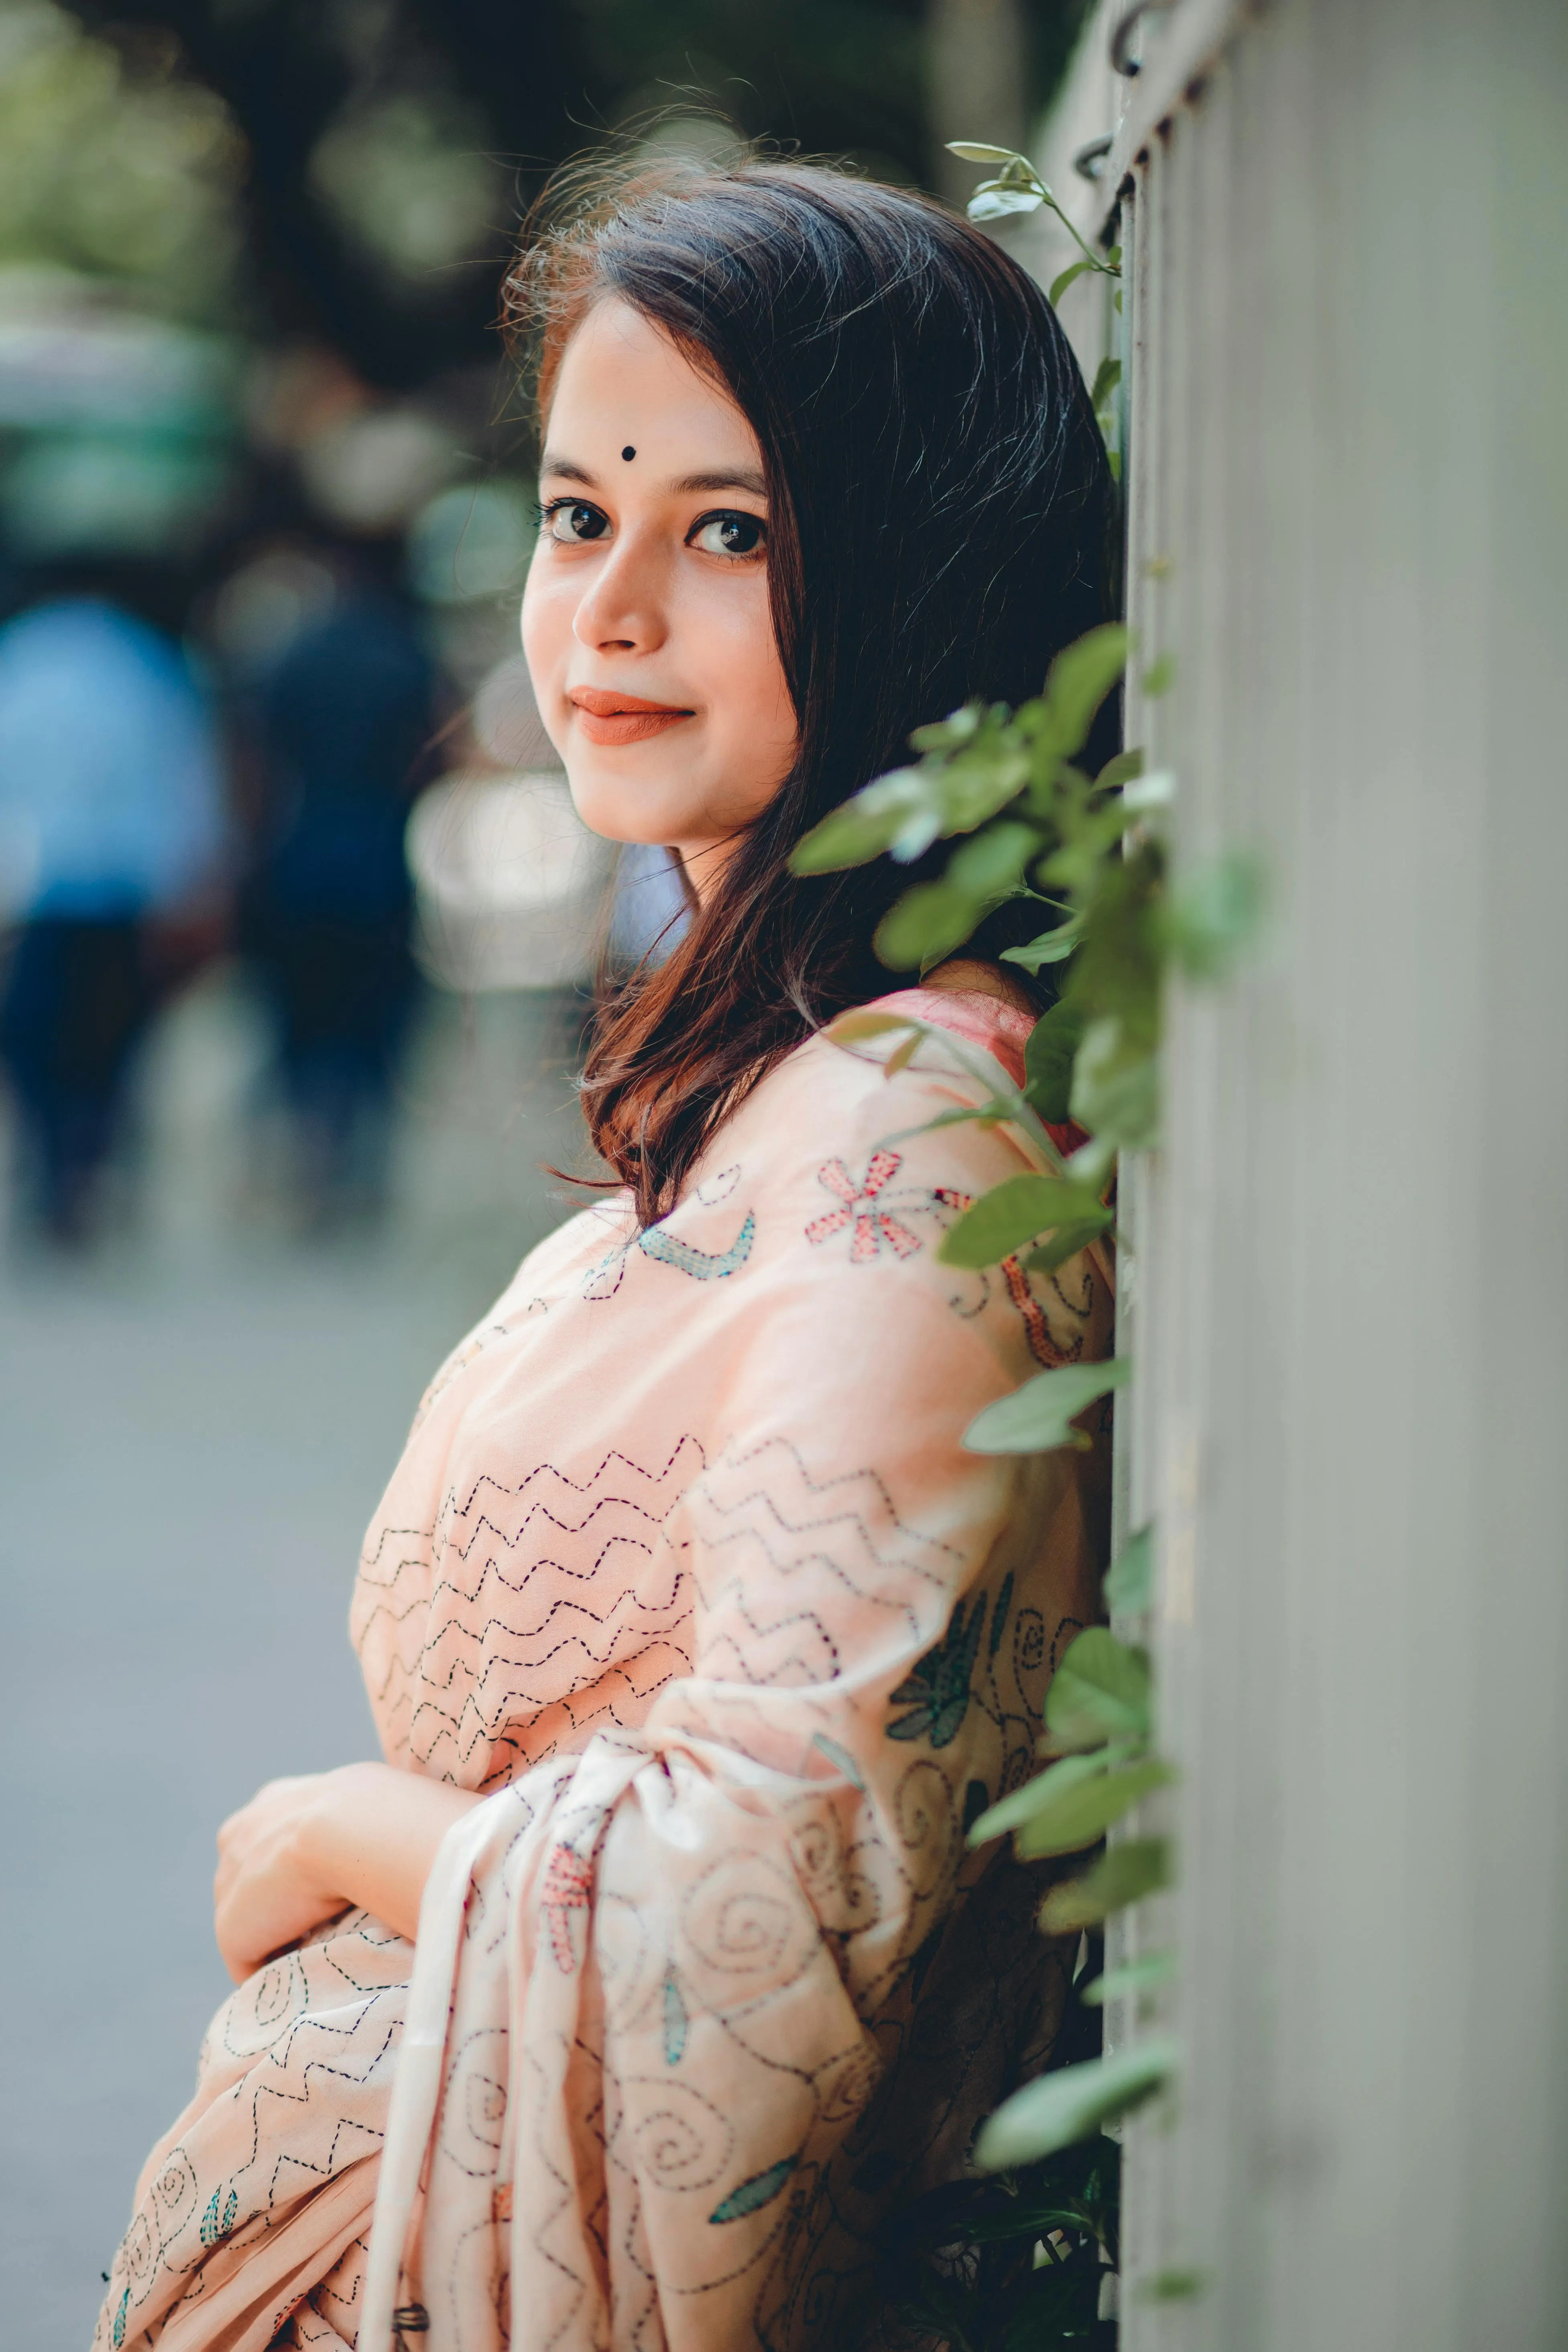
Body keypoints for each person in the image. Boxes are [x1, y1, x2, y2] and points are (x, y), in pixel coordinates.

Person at [94, 158, 1117, 2352]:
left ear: (923, 566)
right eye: (579, 516)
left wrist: (362, 1833)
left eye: (727, 529)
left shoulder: (912, 1126)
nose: (611, 612)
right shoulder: (787, 1069)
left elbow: (771, 1898)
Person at [0, 585, 226, 1244]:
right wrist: (191, 877)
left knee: (38, 1045)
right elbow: (185, 781)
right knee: (111, 1045)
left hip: (39, 894)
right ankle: (90, 1168)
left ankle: (55, 1172)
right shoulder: (147, 666)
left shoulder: (23, 660)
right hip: (123, 892)